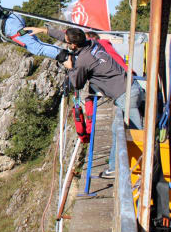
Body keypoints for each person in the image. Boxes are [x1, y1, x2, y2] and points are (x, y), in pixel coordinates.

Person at [26, 26, 144, 178]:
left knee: (136, 135)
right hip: (132, 86)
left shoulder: (83, 61)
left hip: (125, 97)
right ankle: (115, 167)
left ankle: (143, 168)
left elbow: (77, 83)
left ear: (73, 45)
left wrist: (70, 67)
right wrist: (44, 30)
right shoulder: (93, 43)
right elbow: (68, 38)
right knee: (117, 129)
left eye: (68, 42)